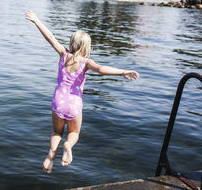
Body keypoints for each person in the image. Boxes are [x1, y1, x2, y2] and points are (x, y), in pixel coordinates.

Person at [25, 11, 139, 174]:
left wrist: (36, 21)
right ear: (87, 47)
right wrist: (122, 71)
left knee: (57, 132)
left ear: (72, 44)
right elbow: (100, 69)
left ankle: (51, 156)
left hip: (58, 101)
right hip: (74, 103)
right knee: (73, 133)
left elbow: (50, 37)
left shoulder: (63, 54)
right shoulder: (86, 62)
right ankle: (68, 146)